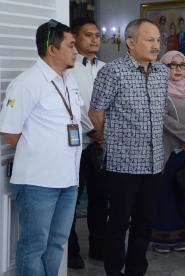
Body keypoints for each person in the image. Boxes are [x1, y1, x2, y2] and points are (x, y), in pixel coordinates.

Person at [88, 18, 168, 276]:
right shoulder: (112, 71)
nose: (156, 45)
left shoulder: (162, 73)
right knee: (119, 223)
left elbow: (160, 113)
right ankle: (114, 271)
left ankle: (136, 270)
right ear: (131, 43)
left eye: (158, 39)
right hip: (123, 162)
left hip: (155, 161)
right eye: (149, 39)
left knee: (144, 223)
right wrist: (111, 138)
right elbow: (96, 112)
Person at [0, 19, 80, 276]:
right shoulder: (27, 82)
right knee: (33, 246)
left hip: (68, 180)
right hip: (37, 182)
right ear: (52, 49)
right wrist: (40, 151)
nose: (76, 51)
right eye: (70, 45)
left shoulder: (69, 80)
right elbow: (8, 130)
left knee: (56, 243)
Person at [67, 16, 107, 269]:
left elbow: (114, 103)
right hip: (79, 145)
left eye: (97, 35)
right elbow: (75, 106)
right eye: (88, 35)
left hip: (104, 145)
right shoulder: (69, 68)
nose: (94, 39)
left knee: (101, 199)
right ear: (75, 38)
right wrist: (94, 130)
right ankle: (71, 251)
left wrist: (106, 132)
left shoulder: (107, 68)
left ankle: (99, 246)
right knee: (72, 199)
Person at [151, 50, 185, 253]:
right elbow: (161, 117)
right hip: (168, 149)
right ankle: (163, 238)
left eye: (182, 65)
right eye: (173, 65)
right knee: (166, 194)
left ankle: (182, 237)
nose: (178, 69)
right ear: (163, 67)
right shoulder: (157, 89)